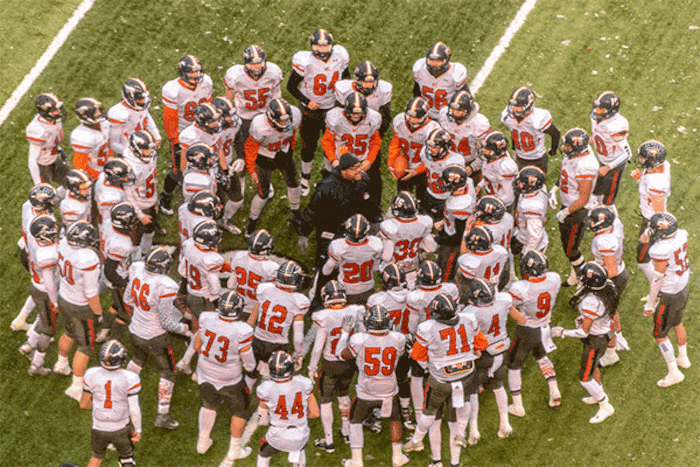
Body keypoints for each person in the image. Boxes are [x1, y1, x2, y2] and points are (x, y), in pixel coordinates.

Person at [403, 294, 488, 467]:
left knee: (431, 413)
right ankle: (459, 446)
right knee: (457, 416)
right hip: (466, 374)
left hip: (441, 380)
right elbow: (482, 344)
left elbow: (417, 355)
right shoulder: (469, 318)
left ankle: (417, 440)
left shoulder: (427, 327)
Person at [124, 246, 192, 430]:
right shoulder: (166, 285)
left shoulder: (137, 268)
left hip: (135, 329)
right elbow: (166, 323)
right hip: (155, 336)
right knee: (168, 372)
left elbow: (127, 299)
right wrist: (184, 328)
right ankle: (162, 415)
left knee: (137, 359)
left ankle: (121, 395)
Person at [293, 153, 373, 307]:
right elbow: (312, 211)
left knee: (346, 261)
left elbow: (367, 200)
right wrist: (303, 233)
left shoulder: (361, 180)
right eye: (355, 169)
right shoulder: (327, 186)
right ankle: (315, 298)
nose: (359, 171)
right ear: (344, 171)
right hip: (329, 228)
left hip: (348, 228)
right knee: (324, 266)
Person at [336, 305, 409, 467]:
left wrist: (345, 334)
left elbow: (341, 355)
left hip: (366, 391)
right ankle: (397, 457)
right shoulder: (398, 338)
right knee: (395, 419)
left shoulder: (359, 339)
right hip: (389, 388)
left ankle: (356, 461)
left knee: (355, 421)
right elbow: (401, 353)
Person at [194, 291, 256, 466]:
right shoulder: (242, 330)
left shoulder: (206, 318)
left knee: (208, 405)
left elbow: (197, 345)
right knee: (241, 410)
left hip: (205, 372)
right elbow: (249, 363)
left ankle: (202, 442)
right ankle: (234, 449)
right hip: (230, 378)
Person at [551, 262, 617, 424]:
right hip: (604, 331)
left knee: (584, 377)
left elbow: (583, 332)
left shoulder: (591, 302)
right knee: (592, 368)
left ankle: (605, 405)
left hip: (596, 339)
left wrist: (562, 332)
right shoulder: (607, 286)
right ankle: (598, 394)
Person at [287, 29, 350, 196]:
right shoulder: (305, 61)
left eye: (326, 46)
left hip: (332, 106)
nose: (322, 50)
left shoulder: (340, 56)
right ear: (312, 46)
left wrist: (343, 100)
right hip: (311, 109)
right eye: (318, 46)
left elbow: (347, 79)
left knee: (331, 143)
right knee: (309, 144)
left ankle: (328, 175)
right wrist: (307, 101)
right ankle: (305, 176)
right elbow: (291, 86)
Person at [307, 281, 364, 452]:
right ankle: (346, 433)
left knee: (325, 401)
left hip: (330, 363)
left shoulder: (323, 316)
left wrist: (311, 367)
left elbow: (318, 347)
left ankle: (329, 441)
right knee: (343, 396)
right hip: (348, 362)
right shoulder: (355, 311)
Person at [506, 250, 561, 416]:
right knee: (541, 357)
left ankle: (518, 406)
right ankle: (554, 389)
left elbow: (510, 305)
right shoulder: (554, 279)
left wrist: (519, 318)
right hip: (544, 327)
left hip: (527, 329)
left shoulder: (520, 288)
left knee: (514, 366)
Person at [159, 54, 214, 215]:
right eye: (191, 74)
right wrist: (175, 140)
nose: (195, 77)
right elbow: (169, 118)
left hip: (202, 129)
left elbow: (209, 105)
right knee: (178, 170)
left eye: (197, 73)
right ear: (182, 73)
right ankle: (166, 196)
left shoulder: (206, 83)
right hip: (183, 132)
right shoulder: (173, 90)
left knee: (206, 160)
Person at [54, 221, 103, 401]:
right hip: (80, 305)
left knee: (69, 332)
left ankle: (61, 364)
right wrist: (98, 313)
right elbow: (91, 293)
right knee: (85, 346)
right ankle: (75, 388)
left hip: (64, 296)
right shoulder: (88, 258)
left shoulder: (64, 245)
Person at [642, 212, 690, 387]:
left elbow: (657, 279)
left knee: (660, 334)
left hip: (669, 293)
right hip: (682, 287)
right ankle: (683, 358)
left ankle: (673, 373)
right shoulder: (682, 234)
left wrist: (650, 303)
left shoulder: (661, 249)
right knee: (677, 322)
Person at [462, 279, 513, 443]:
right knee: (498, 386)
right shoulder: (504, 300)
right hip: (502, 348)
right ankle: (505, 423)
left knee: (473, 390)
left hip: (484, 354)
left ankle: (474, 430)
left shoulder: (471, 312)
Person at [243, 98, 302, 236]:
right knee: (263, 193)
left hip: (284, 152)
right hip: (265, 157)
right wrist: (251, 169)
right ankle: (252, 222)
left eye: (288, 120)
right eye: (282, 121)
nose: (286, 123)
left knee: (293, 184)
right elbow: (250, 147)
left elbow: (292, 134)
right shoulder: (260, 126)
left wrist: (291, 148)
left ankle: (295, 213)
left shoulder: (295, 114)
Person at [321, 92, 383, 221]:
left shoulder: (373, 119)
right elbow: (327, 141)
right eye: (353, 113)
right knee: (337, 191)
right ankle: (337, 217)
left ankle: (371, 213)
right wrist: (333, 160)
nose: (356, 116)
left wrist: (369, 160)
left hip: (361, 160)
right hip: (342, 162)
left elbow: (375, 141)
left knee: (370, 189)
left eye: (359, 113)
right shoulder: (335, 118)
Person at [548, 127, 598, 287]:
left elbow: (584, 198)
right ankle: (575, 275)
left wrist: (566, 212)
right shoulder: (576, 153)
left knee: (571, 250)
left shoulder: (586, 165)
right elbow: (565, 175)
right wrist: (554, 190)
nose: (566, 148)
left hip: (578, 210)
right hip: (569, 204)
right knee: (568, 246)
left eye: (569, 146)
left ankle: (584, 278)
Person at [366, 265, 414, 431]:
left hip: (386, 345)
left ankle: (379, 416)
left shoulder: (377, 300)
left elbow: (369, 323)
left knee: (383, 380)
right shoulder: (414, 296)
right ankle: (406, 411)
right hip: (407, 343)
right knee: (402, 378)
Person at [80, 340, 142, 467]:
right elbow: (134, 409)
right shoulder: (130, 378)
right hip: (120, 427)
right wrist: (138, 430)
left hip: (98, 427)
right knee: (127, 459)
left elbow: (83, 404)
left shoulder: (91, 374)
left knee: (96, 457)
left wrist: (97, 407)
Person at [176, 220, 225, 375]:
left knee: (201, 329)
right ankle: (194, 367)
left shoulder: (190, 246)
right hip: (204, 298)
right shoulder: (211, 259)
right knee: (207, 332)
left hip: (191, 292)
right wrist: (216, 297)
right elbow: (215, 286)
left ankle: (185, 361)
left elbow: (182, 270)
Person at [256, 350, 320, 467]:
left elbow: (262, 421)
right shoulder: (303, 382)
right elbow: (315, 413)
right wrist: (296, 418)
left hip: (278, 435)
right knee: (299, 447)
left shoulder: (265, 389)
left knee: (263, 450)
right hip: (301, 433)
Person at [249, 260, 310, 379]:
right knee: (276, 376)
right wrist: (298, 354)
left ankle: (248, 390)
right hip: (278, 345)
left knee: (251, 373)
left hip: (258, 339)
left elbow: (252, 318)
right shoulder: (299, 301)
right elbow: (298, 336)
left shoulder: (265, 289)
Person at [12, 183, 58, 333]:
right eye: (50, 199)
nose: (53, 201)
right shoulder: (43, 223)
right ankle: (37, 330)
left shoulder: (28, 206)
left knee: (39, 287)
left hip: (29, 253)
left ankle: (21, 318)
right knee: (46, 289)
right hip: (38, 257)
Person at [225, 45, 283, 161]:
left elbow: (277, 97)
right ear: (245, 64)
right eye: (253, 64)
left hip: (264, 114)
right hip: (244, 116)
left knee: (266, 148)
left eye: (259, 64)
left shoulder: (273, 72)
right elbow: (228, 99)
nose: (256, 68)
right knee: (245, 149)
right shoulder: (235, 76)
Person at [588, 206, 629, 366]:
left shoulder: (604, 241)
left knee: (606, 317)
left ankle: (611, 353)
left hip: (611, 277)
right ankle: (619, 334)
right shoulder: (615, 224)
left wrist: (591, 275)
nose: (590, 223)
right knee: (612, 310)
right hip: (620, 271)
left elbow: (610, 270)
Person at [18, 215, 59, 375]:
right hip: (45, 290)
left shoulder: (34, 241)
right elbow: (49, 281)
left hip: (35, 285)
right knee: (48, 330)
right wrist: (55, 301)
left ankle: (29, 345)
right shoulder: (47, 255)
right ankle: (36, 365)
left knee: (43, 318)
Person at [631, 140, 671, 286]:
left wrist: (648, 232)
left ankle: (659, 288)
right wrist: (640, 180)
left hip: (652, 220)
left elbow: (659, 213)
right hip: (650, 216)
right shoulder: (662, 166)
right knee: (655, 255)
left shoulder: (656, 181)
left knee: (643, 259)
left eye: (643, 157)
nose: (641, 160)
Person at [379, 191, 437, 288]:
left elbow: (386, 256)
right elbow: (431, 248)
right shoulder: (424, 223)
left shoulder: (390, 227)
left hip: (394, 269)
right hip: (413, 267)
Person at [99, 202, 139, 342]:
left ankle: (103, 331)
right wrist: (124, 285)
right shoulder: (122, 244)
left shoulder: (108, 223)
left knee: (117, 305)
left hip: (112, 272)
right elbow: (110, 270)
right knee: (125, 313)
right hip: (117, 277)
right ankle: (113, 343)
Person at [322, 213, 383, 304]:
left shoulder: (338, 246)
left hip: (347, 290)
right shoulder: (375, 244)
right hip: (368, 288)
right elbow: (375, 268)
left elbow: (326, 271)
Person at [386, 97, 440, 198]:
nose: (412, 119)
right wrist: (391, 161)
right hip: (406, 165)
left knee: (424, 199)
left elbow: (434, 156)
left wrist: (418, 170)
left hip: (426, 168)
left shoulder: (432, 129)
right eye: (410, 116)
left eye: (416, 117)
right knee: (403, 198)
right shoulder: (400, 121)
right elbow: (396, 140)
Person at [500, 86, 560, 174]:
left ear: (528, 106)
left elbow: (555, 133)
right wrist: (514, 150)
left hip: (537, 158)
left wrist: (553, 150)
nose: (514, 109)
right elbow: (514, 133)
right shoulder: (508, 117)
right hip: (520, 157)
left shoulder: (538, 118)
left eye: (518, 106)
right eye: (513, 105)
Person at [123, 130, 164, 254]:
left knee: (149, 232)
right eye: (146, 149)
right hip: (138, 206)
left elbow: (153, 180)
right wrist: (140, 215)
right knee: (135, 239)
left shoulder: (152, 157)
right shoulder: (131, 167)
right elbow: (128, 195)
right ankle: (135, 259)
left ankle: (145, 252)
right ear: (136, 149)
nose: (150, 152)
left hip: (149, 200)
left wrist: (155, 200)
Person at [437, 89, 490, 183]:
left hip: (469, 162)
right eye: (452, 108)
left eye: (457, 110)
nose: (453, 112)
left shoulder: (479, 124)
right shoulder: (444, 116)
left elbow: (485, 152)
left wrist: (472, 167)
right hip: (448, 159)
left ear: (466, 111)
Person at [226, 229, 279, 322]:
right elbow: (272, 295)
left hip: (238, 303)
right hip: (256, 307)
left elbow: (230, 284)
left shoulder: (238, 256)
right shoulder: (271, 267)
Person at [590, 91, 631, 211]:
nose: (597, 111)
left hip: (613, 165)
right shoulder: (596, 117)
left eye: (601, 109)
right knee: (596, 190)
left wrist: (608, 167)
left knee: (608, 200)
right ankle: (594, 208)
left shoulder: (616, 125)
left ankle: (611, 222)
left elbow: (627, 154)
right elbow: (598, 134)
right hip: (602, 159)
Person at [210, 96, 245, 234]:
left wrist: (240, 157)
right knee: (215, 204)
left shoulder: (235, 123)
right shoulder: (207, 129)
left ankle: (225, 220)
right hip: (210, 169)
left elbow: (238, 138)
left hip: (228, 164)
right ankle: (210, 227)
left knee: (237, 198)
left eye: (231, 115)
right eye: (226, 116)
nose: (230, 119)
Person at [435, 165, 476, 282]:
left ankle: (445, 284)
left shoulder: (459, 207)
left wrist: (439, 240)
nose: (442, 184)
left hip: (453, 239)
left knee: (447, 265)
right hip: (452, 225)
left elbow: (458, 237)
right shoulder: (468, 182)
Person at [412, 42, 469, 120]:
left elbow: (465, 97)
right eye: (431, 60)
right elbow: (416, 92)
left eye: (438, 61)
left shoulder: (455, 73)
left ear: (446, 59)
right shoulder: (420, 69)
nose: (434, 64)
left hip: (448, 115)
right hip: (426, 114)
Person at [418, 128, 465, 220]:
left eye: (435, 147)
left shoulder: (454, 161)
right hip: (429, 192)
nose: (430, 149)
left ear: (445, 148)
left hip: (445, 198)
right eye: (429, 146)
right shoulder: (424, 153)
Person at [108, 78, 161, 157]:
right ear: (130, 98)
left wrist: (157, 136)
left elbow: (147, 118)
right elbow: (114, 144)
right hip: (129, 151)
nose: (143, 101)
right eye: (139, 98)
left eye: (143, 98)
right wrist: (131, 153)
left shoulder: (142, 105)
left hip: (144, 146)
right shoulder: (118, 113)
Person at [26, 92, 68, 186]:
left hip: (54, 158)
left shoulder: (55, 119)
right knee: (46, 195)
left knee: (71, 183)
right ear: (45, 112)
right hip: (43, 166)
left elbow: (53, 139)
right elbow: (32, 160)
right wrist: (38, 183)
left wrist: (60, 151)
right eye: (55, 110)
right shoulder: (38, 129)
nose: (58, 111)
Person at [457, 226, 508, 297]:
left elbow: (466, 281)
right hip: (493, 287)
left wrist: (466, 230)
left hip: (477, 292)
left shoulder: (468, 259)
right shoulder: (501, 251)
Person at [476, 131, 518, 213]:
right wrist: (480, 185)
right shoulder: (491, 158)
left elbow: (508, 192)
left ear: (498, 151)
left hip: (502, 203)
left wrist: (498, 203)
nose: (484, 150)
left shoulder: (506, 166)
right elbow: (489, 176)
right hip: (491, 196)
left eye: (487, 149)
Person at [71, 97, 111, 180]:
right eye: (96, 111)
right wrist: (95, 178)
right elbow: (80, 167)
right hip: (95, 174)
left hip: (106, 166)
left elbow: (106, 146)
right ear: (86, 116)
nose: (99, 112)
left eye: (99, 109)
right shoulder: (81, 135)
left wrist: (111, 158)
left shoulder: (104, 124)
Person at [512, 166, 549, 255]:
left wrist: (527, 252)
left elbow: (535, 236)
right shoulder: (540, 189)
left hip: (531, 241)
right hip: (523, 232)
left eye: (521, 182)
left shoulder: (531, 207)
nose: (518, 183)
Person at [93, 157, 134, 226]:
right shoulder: (111, 197)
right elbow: (110, 219)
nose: (127, 178)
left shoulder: (103, 176)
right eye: (123, 176)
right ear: (114, 179)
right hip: (110, 221)